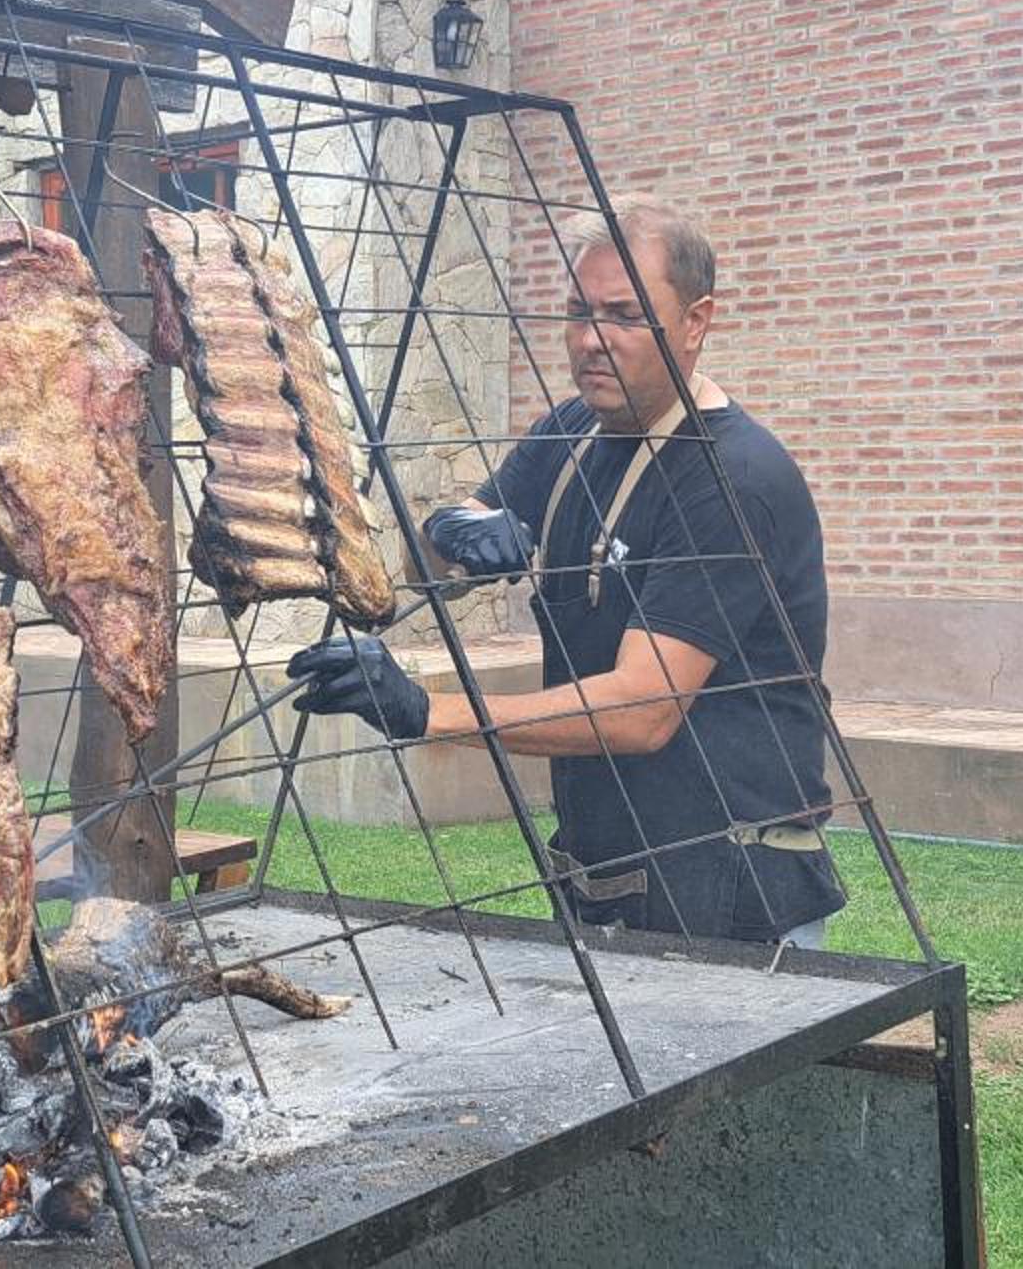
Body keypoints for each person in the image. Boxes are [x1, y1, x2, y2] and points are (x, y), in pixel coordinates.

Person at [284, 198, 844, 946]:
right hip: (605, 874)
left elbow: (644, 710)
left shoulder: (733, 478)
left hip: (736, 887)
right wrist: (450, 533)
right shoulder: (571, 432)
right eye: (578, 313)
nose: (590, 341)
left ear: (696, 322)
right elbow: (425, 567)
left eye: (623, 315)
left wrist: (427, 711)